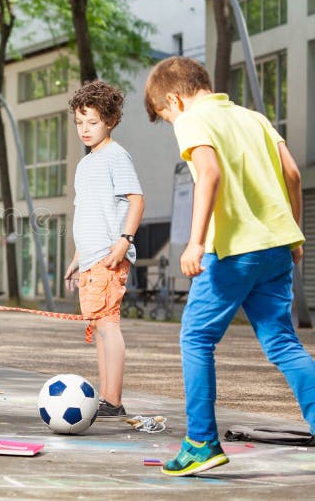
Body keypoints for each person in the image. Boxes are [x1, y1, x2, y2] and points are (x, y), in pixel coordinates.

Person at [144, 56, 315, 476]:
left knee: (197, 338)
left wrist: (196, 241)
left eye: (165, 116)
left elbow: (210, 174)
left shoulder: (192, 119)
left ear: (174, 99)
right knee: (283, 343)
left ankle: (201, 443)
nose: (170, 124)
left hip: (233, 251)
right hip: (276, 248)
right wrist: (293, 230)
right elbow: (292, 174)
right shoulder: (253, 118)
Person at [64, 80, 145, 419]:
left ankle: (112, 399)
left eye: (92, 122)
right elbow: (88, 214)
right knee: (99, 327)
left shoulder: (116, 156)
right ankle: (106, 396)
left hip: (109, 256)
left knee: (108, 324)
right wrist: (77, 258)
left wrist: (124, 241)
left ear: (110, 120)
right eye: (80, 122)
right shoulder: (86, 164)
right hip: (91, 258)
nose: (85, 129)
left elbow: (137, 200)